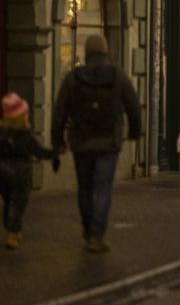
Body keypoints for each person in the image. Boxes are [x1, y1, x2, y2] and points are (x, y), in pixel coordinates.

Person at [50, 34, 141, 252]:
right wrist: (135, 133)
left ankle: (87, 229)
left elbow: (60, 112)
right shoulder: (117, 76)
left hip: (81, 142)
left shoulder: (74, 77)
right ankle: (97, 235)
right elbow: (133, 107)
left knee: (85, 188)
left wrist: (58, 141)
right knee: (103, 188)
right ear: (106, 51)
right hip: (108, 142)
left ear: (88, 53)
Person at [1, 93, 59, 249]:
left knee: (8, 201)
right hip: (22, 171)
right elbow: (39, 151)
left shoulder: (1, 132)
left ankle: (9, 225)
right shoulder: (25, 135)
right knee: (18, 203)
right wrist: (54, 154)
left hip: (2, 170)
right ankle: (13, 234)